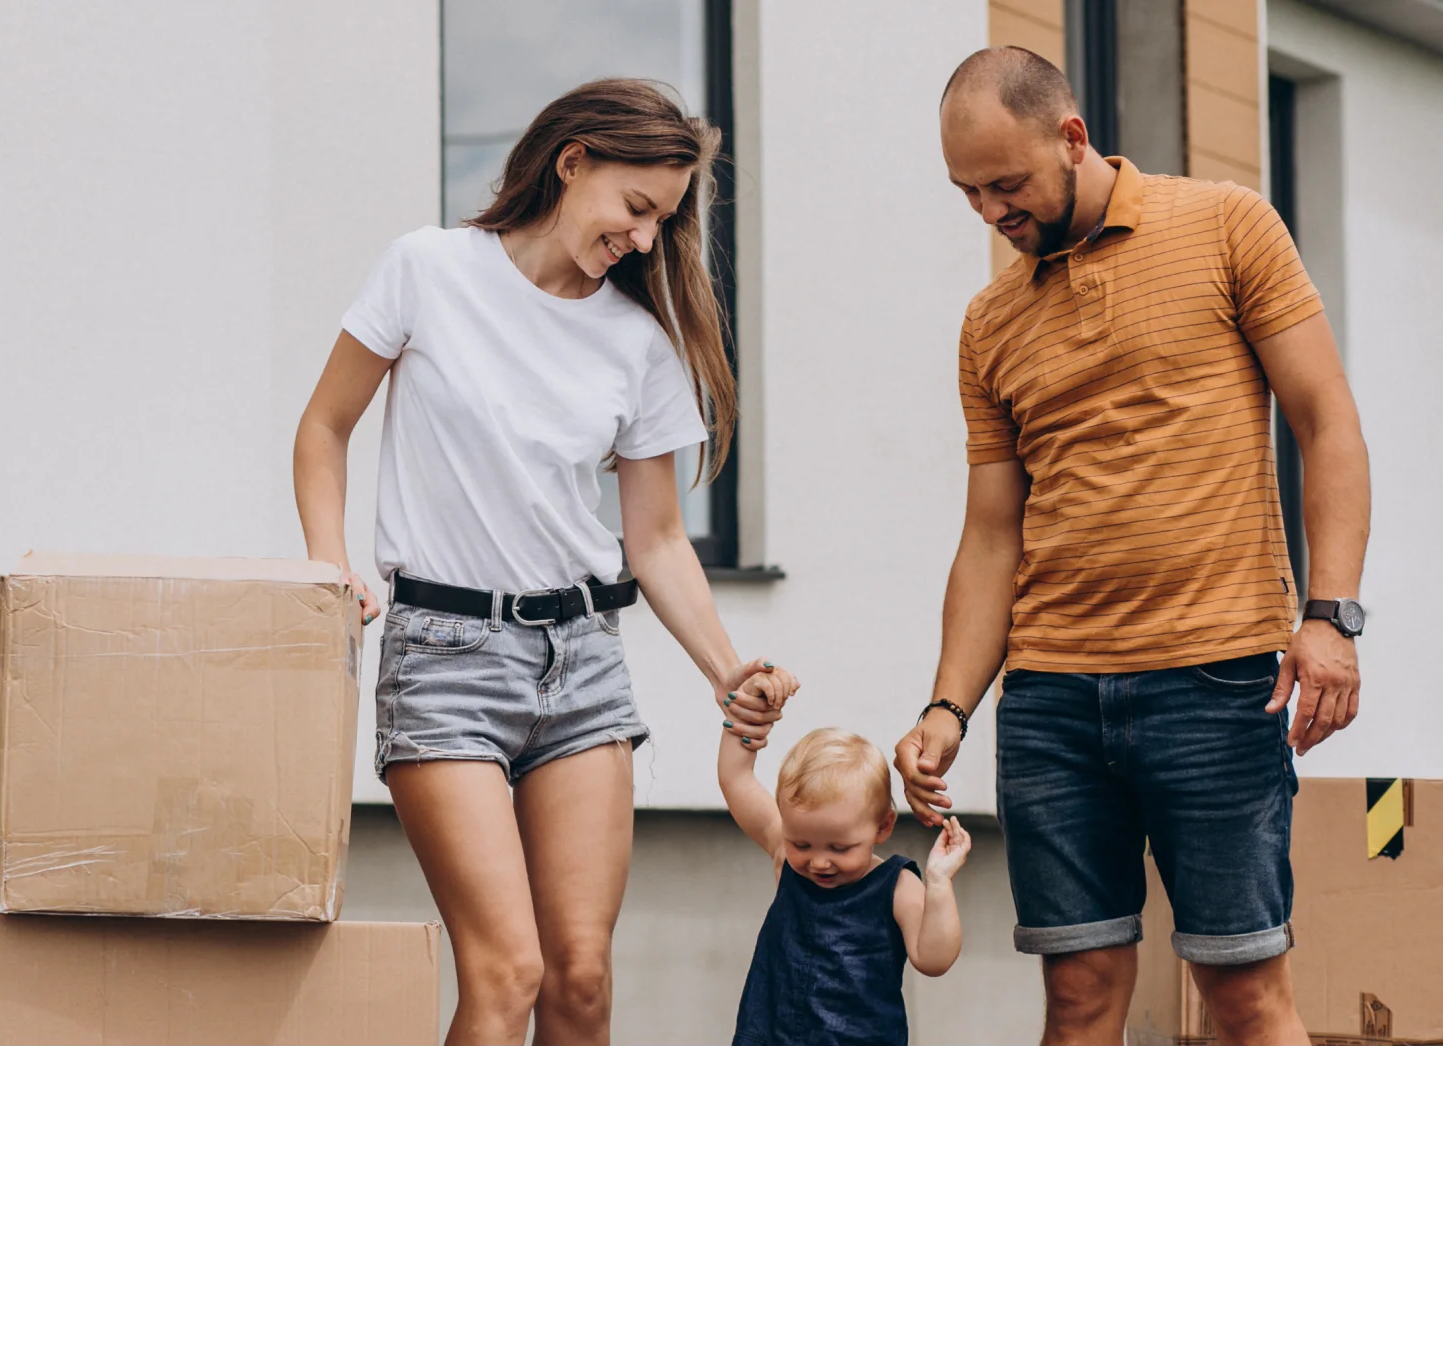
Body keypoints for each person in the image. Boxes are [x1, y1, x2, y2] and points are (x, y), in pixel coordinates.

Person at [294, 79, 792, 1047]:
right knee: (507, 972)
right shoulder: (427, 270)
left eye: (664, 221)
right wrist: (329, 566)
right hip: (443, 657)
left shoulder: (638, 344)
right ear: (573, 161)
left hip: (581, 663)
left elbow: (654, 540)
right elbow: (324, 428)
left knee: (582, 980)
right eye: (635, 208)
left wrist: (729, 670)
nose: (645, 239)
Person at [894, 47, 1372, 1047]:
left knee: (1243, 997)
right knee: (1076, 1000)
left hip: (1216, 680)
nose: (989, 211)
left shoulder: (1226, 225)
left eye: (1005, 183)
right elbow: (990, 538)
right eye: (966, 192)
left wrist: (1328, 616)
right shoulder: (990, 325)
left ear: (1071, 137)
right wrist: (948, 705)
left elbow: (1326, 421)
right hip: (1052, 703)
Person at [720, 674, 968, 1047]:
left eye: (839, 848)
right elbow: (736, 779)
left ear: (882, 826)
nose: (818, 862)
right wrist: (749, 710)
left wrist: (939, 883)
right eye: (802, 843)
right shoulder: (785, 855)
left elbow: (934, 960)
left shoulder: (896, 884)